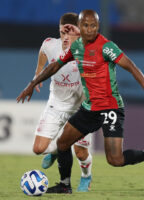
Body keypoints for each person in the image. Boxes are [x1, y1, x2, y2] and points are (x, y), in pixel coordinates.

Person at [17, 9, 144, 193]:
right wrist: (32, 83)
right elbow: (55, 66)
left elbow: (131, 66)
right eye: (85, 25)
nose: (89, 29)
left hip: (110, 108)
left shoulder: (107, 47)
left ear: (98, 26)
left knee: (115, 160)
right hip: (89, 109)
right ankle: (64, 185)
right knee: (63, 144)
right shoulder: (76, 47)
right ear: (80, 27)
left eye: (93, 25)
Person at [30, 12, 93, 193]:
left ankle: (86, 176)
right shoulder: (51, 45)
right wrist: (38, 72)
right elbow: (43, 51)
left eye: (69, 33)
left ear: (78, 32)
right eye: (62, 32)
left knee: (81, 153)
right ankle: (57, 151)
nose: (65, 37)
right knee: (38, 149)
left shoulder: (87, 50)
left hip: (80, 109)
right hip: (56, 105)